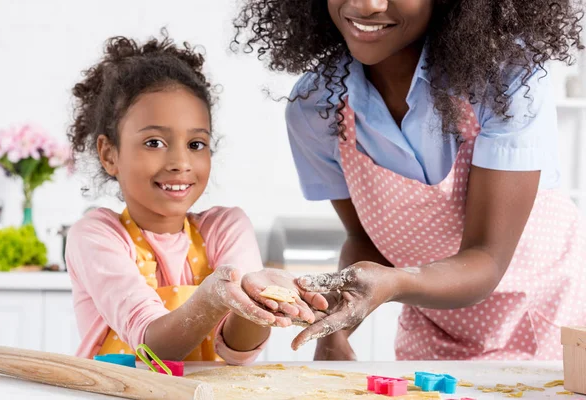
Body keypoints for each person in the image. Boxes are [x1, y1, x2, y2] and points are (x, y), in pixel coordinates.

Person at [233, 0, 586, 361]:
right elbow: (366, 241)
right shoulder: (318, 107)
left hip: (550, 320)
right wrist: (334, 331)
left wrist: (393, 283)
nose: (365, 5)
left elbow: (487, 259)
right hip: (435, 326)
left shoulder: (506, 82)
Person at [65, 31, 326, 364]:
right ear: (109, 153)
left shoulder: (224, 227)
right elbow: (152, 349)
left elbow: (238, 352)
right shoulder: (97, 236)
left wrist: (257, 300)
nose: (180, 163)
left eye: (196, 144)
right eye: (154, 143)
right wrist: (213, 298)